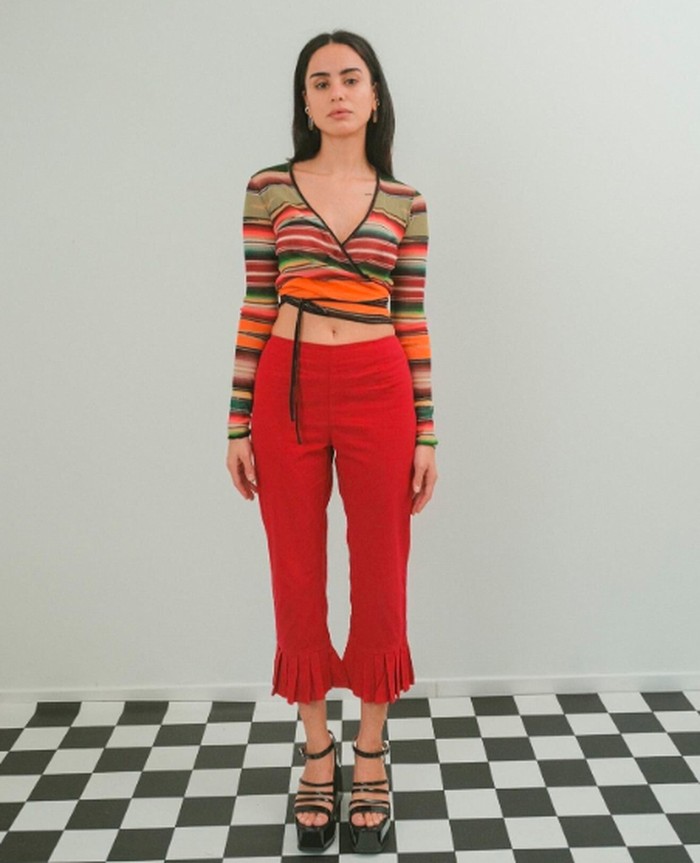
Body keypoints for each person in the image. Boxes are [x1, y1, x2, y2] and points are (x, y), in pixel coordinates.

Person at [226, 30, 437, 854]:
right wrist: (237, 420)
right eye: (320, 82)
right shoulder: (269, 188)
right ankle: (318, 751)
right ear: (305, 102)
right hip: (287, 384)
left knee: (383, 569)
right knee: (296, 567)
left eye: (352, 78)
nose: (337, 92)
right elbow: (255, 301)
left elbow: (411, 316)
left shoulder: (406, 201)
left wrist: (428, 431)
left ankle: (371, 751)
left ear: (375, 96)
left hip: (380, 388)